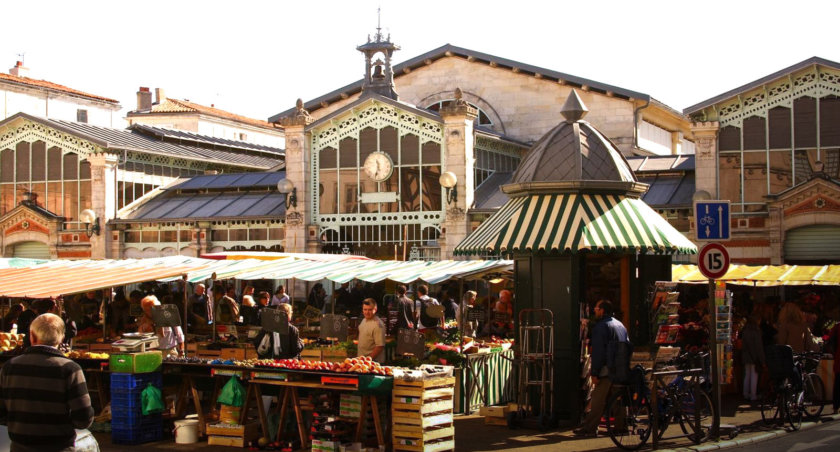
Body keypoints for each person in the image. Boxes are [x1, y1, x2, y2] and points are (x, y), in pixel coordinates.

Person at [0, 313, 94, 451]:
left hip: (20, 447)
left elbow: (1, 413)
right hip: (59, 447)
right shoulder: (70, 369)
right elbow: (83, 419)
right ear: (62, 337)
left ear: (32, 336)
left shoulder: (9, 367)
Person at [574, 299, 629, 437]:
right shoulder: (620, 325)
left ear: (602, 310)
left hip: (607, 369)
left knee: (598, 399)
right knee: (619, 399)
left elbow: (598, 352)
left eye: (597, 308)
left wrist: (595, 372)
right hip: (620, 368)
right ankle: (621, 427)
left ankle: (589, 428)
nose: (595, 310)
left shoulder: (601, 327)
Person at [741, 312, 765, 401]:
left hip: (747, 356)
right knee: (754, 376)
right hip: (754, 357)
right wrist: (762, 360)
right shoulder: (756, 332)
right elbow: (759, 348)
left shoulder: (745, 331)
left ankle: (745, 393)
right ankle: (753, 395)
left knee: (747, 375)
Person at [357, 298, 386, 363]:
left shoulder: (378, 325)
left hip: (373, 363)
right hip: (362, 362)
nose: (367, 312)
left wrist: (367, 360)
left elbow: (380, 346)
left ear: (375, 310)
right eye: (365, 309)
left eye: (370, 310)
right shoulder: (363, 320)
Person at [827, 321, 840, 414]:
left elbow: (829, 340)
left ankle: (836, 407)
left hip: (839, 357)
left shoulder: (836, 326)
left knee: (838, 382)